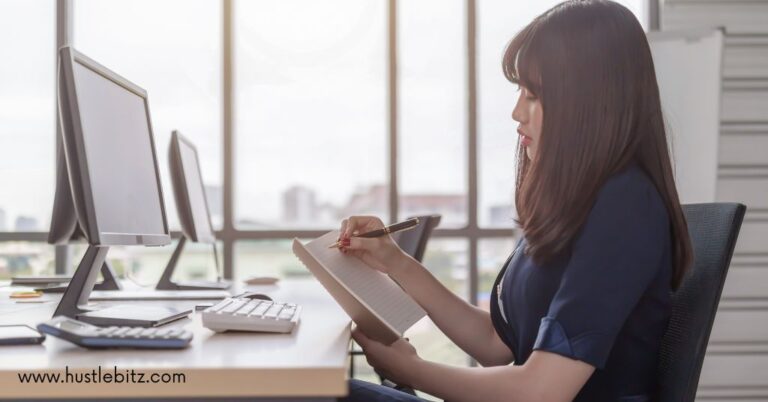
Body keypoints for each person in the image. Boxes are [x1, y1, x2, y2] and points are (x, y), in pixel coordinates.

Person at [337, 1, 693, 401]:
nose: (516, 112)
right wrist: (394, 262)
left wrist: (410, 369)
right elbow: (494, 342)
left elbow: (540, 390)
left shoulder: (626, 209)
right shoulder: (580, 203)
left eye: (533, 95)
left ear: (589, 102)